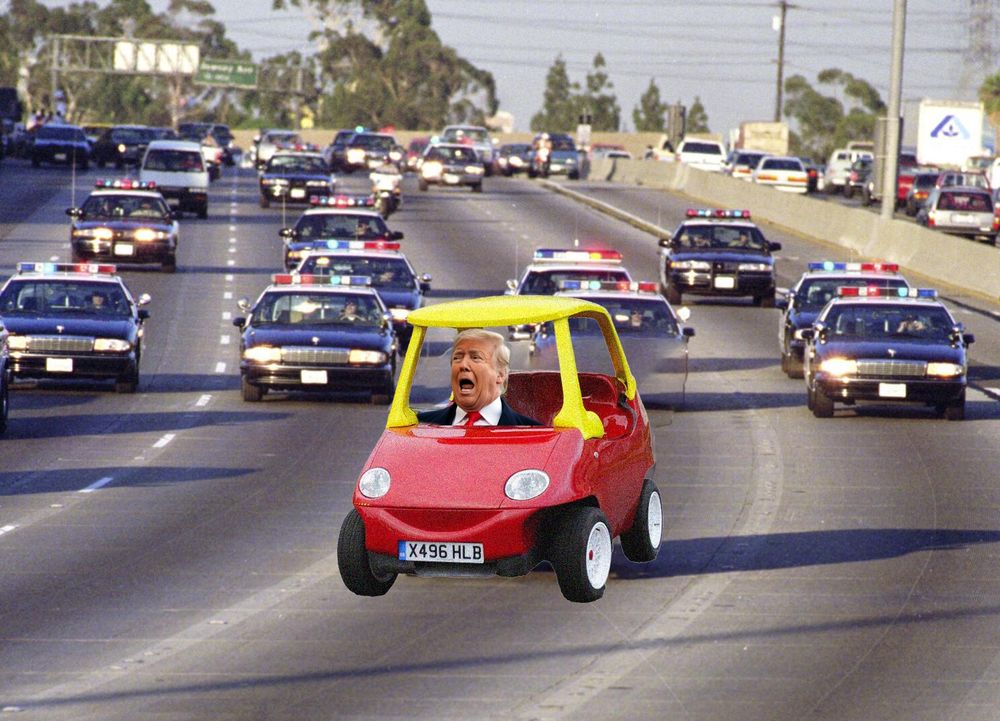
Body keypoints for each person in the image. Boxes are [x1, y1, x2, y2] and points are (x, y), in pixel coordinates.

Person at [417, 328, 542, 426]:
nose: (463, 365)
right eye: (457, 357)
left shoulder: (537, 433)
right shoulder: (421, 425)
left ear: (500, 375)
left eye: (476, 357)